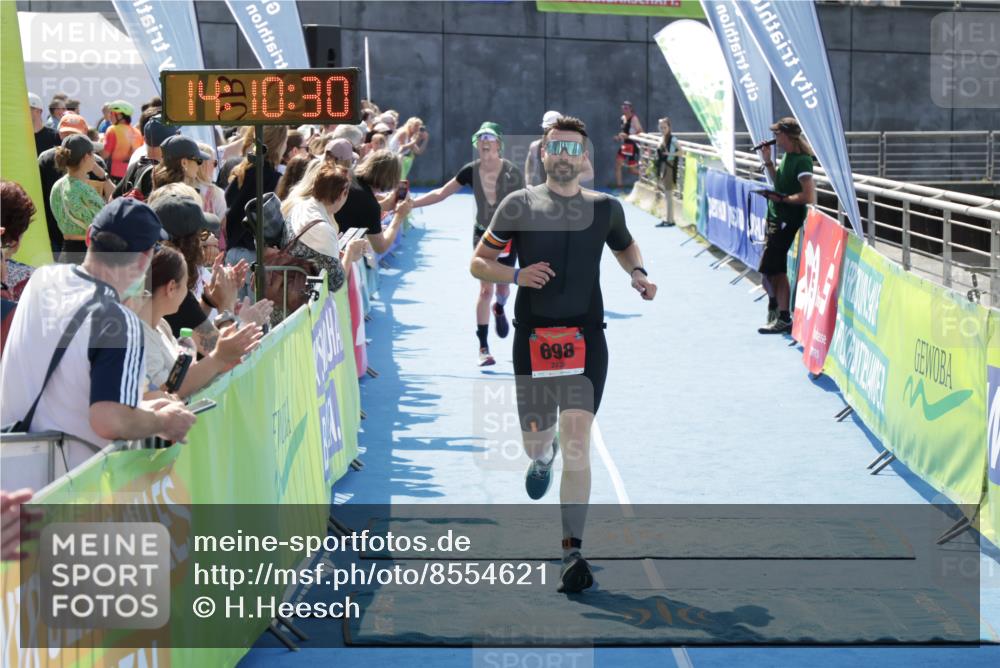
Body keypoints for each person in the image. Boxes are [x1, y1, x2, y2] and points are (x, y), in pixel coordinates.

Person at [471, 116, 657, 593]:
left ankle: (571, 551)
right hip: (533, 339)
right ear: (542, 153)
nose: (564, 156)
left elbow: (625, 245)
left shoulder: (605, 208)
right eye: (556, 147)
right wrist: (516, 276)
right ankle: (541, 456)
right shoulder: (518, 204)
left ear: (585, 158)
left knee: (578, 439)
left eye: (573, 149)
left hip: (587, 338)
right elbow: (478, 262)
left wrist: (637, 273)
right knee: (539, 442)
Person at [0, 197, 197, 446]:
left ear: (88, 236)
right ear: (144, 260)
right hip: (69, 467)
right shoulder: (119, 321)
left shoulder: (41, 279)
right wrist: (162, 422)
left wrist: (142, 410)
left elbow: (65, 388)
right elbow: (109, 420)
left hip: (11, 455)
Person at [412, 122, 524, 366]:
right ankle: (483, 348)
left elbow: (525, 204)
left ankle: (499, 307)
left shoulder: (512, 171)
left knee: (503, 289)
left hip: (508, 237)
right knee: (485, 290)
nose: (484, 142)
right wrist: (411, 203)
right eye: (480, 138)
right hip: (483, 236)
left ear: (499, 144)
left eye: (489, 138)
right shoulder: (470, 170)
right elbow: (441, 193)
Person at [130, 245, 262, 398]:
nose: (188, 293)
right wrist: (219, 356)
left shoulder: (161, 325)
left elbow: (182, 376)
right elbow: (163, 392)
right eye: (185, 285)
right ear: (171, 288)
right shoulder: (139, 336)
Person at [756, 117, 816, 334]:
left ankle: (781, 314)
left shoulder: (802, 161)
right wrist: (768, 162)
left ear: (788, 136)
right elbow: (779, 183)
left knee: (772, 270)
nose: (774, 138)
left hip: (786, 220)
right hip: (776, 217)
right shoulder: (788, 156)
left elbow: (808, 196)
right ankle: (779, 311)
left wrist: (783, 199)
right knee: (772, 270)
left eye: (777, 134)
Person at [280, 161, 367, 294]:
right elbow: (336, 283)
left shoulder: (302, 206)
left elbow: (313, 254)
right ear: (343, 193)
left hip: (286, 284)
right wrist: (350, 252)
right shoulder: (323, 229)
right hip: (297, 296)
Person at [224, 125, 288, 265]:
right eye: (285, 141)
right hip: (256, 258)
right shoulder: (277, 179)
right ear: (279, 144)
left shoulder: (240, 172)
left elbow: (225, 214)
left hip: (232, 253)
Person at [336, 149, 411, 256]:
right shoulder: (370, 205)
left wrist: (383, 205)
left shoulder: (349, 177)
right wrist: (398, 217)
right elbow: (380, 247)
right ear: (393, 178)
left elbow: (354, 208)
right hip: (334, 253)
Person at [50, 134, 113, 263]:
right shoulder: (84, 190)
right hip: (86, 254)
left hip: (65, 252)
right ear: (86, 157)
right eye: (93, 153)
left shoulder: (57, 186)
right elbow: (107, 221)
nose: (95, 158)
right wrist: (104, 176)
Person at [113, 114, 180, 200]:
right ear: (171, 140)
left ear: (145, 139)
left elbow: (112, 199)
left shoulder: (135, 165)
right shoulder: (163, 174)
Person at [101, 100, 143, 182]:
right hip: (133, 174)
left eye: (112, 113)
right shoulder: (137, 132)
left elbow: (105, 154)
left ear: (120, 115)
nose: (109, 116)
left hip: (115, 175)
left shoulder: (112, 130)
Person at [654, 117, 682, 228]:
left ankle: (670, 220)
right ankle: (669, 219)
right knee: (666, 194)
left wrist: (670, 154)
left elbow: (681, 152)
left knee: (669, 194)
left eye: (664, 127)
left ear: (669, 127)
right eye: (661, 127)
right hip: (663, 167)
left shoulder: (673, 139)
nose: (662, 130)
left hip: (669, 167)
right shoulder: (661, 139)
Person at [525, 110, 562, 187]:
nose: (551, 132)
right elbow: (530, 162)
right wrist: (528, 183)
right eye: (547, 129)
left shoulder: (571, 147)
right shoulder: (536, 146)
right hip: (544, 191)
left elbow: (586, 172)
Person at [614, 100, 644, 189]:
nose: (625, 110)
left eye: (626, 108)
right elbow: (624, 132)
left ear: (631, 109)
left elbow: (641, 133)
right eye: (623, 108)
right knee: (619, 166)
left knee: (631, 170)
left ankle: (647, 176)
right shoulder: (623, 118)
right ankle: (619, 187)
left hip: (632, 145)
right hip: (626, 145)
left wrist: (628, 136)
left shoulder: (634, 119)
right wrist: (619, 137)